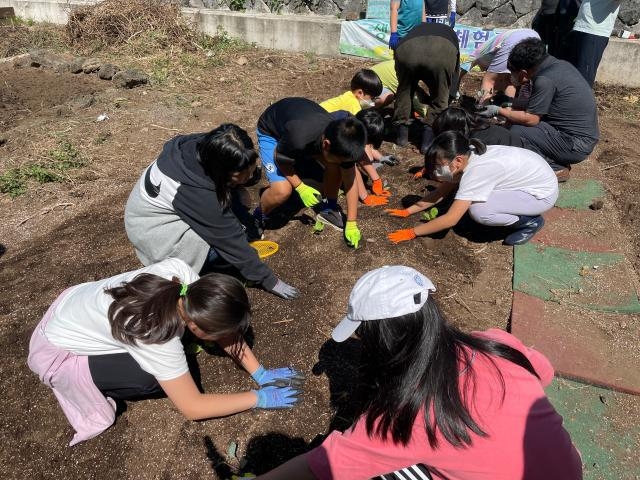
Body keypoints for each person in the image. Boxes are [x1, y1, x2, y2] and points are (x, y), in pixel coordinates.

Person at [251, 265, 582, 480]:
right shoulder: (495, 343)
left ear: (380, 340)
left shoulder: (402, 416)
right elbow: (544, 372)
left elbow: (320, 467)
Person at [27, 258, 302, 446]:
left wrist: (260, 372)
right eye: (216, 336)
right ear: (195, 325)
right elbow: (192, 406)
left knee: (165, 366)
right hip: (57, 351)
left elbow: (220, 325)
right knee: (148, 378)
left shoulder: (184, 278)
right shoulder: (156, 334)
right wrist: (259, 397)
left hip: (75, 306)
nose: (227, 340)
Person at [124, 124, 299, 300]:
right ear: (220, 171)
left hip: (165, 210)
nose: (249, 177)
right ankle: (214, 268)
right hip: (154, 232)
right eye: (241, 175)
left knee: (238, 200)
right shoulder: (197, 195)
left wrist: (243, 182)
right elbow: (230, 240)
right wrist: (269, 280)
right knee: (220, 246)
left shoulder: (208, 146)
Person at [386, 132, 558, 246]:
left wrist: (412, 232)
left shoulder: (476, 172)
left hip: (540, 194)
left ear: (458, 161)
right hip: (531, 180)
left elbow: (450, 219)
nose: (436, 171)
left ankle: (530, 222)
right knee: (468, 200)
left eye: (439, 166)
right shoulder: (469, 154)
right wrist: (407, 212)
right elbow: (441, 192)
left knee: (479, 210)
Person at [478, 38, 599, 182]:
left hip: (575, 145)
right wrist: (510, 102)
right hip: (580, 139)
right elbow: (537, 103)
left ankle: (555, 167)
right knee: (514, 122)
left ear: (523, 72)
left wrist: (498, 110)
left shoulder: (545, 80)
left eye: (513, 73)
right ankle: (555, 158)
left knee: (516, 130)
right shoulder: (559, 66)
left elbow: (531, 119)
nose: (512, 78)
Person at [255, 97, 366, 248]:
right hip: (272, 131)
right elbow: (279, 158)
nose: (343, 163)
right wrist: (300, 187)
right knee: (282, 191)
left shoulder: (346, 140)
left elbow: (350, 180)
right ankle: (257, 216)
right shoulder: (299, 136)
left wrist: (352, 222)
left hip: (300, 125)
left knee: (335, 167)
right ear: (326, 145)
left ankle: (330, 207)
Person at [392, 22, 460, 147]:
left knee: (404, 91)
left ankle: (402, 136)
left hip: (407, 49)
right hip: (442, 53)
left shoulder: (417, 27)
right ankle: (427, 142)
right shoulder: (451, 36)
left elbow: (407, 82)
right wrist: (448, 96)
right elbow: (454, 78)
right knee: (440, 97)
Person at [413, 106, 524, 180]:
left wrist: (446, 176)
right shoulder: (473, 127)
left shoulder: (477, 143)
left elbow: (468, 172)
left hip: (517, 171)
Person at [458, 28, 541, 104]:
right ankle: (499, 107)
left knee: (497, 80)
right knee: (506, 80)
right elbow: (492, 80)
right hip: (526, 38)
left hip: (518, 39)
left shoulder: (480, 53)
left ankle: (488, 106)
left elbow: (492, 80)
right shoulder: (490, 51)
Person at [559, 0, 621, 87]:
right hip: (580, 26)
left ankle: (581, 100)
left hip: (594, 31)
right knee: (569, 75)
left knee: (583, 77)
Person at [353, 109, 392, 207]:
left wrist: (376, 179)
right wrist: (365, 197)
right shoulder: (345, 138)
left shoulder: (357, 123)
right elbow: (350, 169)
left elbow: (361, 152)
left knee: (367, 155)